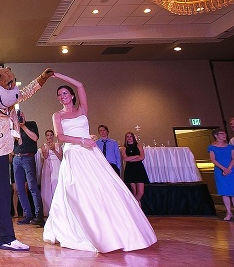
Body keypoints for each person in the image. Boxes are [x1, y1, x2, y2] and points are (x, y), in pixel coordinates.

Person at [43, 72, 156, 253]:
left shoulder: (82, 110)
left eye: (65, 93)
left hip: (90, 153)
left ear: (71, 95)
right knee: (77, 190)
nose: (62, 97)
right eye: (59, 95)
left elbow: (80, 85)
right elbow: (60, 136)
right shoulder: (58, 115)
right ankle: (84, 229)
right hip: (74, 153)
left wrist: (59, 76)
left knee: (103, 187)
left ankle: (114, 231)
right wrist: (82, 141)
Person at [12, 109, 43, 226]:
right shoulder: (13, 128)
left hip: (28, 158)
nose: (19, 117)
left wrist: (23, 126)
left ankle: (39, 215)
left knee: (32, 187)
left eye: (21, 114)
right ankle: (27, 215)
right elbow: (14, 143)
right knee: (19, 189)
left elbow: (35, 138)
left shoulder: (31, 124)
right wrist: (15, 129)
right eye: (17, 116)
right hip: (16, 159)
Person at [208, 128, 234, 221]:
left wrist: (228, 168)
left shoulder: (230, 146)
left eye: (225, 134)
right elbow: (213, 159)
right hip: (220, 170)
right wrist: (223, 169)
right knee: (224, 192)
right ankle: (228, 212)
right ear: (216, 135)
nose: (224, 135)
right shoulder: (211, 147)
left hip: (231, 170)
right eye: (222, 134)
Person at [120, 132, 150, 207]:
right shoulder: (123, 148)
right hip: (130, 169)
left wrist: (130, 159)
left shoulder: (138, 145)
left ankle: (131, 206)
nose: (129, 138)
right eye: (127, 136)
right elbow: (125, 158)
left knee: (140, 192)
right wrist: (136, 156)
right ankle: (138, 212)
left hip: (139, 169)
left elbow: (142, 157)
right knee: (134, 192)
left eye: (130, 136)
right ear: (125, 138)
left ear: (133, 137)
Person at [40, 129, 62, 218]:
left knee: (56, 185)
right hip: (48, 165)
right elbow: (45, 156)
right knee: (47, 186)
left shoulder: (58, 145)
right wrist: (48, 148)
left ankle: (58, 209)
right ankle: (48, 209)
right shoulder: (43, 146)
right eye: (48, 135)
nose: (49, 137)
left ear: (53, 136)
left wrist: (54, 149)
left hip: (56, 164)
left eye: (51, 135)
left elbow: (60, 157)